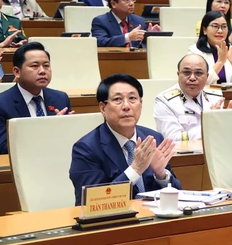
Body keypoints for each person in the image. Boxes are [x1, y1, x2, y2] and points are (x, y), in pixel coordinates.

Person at [70, 74, 181, 204]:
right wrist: (135, 170)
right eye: (118, 99)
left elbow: (178, 194)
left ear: (141, 104)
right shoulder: (86, 148)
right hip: (113, 223)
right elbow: (92, 202)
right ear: (102, 108)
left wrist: (161, 174)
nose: (126, 106)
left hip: (153, 218)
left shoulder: (153, 138)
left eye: (132, 98)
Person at [0, 42, 71, 154]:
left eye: (46, 66)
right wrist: (50, 130)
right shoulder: (0, 104)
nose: (42, 71)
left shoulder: (61, 98)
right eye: (34, 66)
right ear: (17, 72)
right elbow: (3, 148)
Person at [153, 54, 231, 142]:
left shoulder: (215, 95)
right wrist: (209, 124)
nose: (192, 78)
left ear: (207, 76)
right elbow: (172, 138)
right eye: (186, 73)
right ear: (178, 74)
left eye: (198, 73)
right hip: (185, 153)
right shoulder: (164, 101)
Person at [188, 11, 232, 84]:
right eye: (215, 26)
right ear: (205, 30)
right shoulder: (195, 52)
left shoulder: (231, 50)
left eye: (224, 26)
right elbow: (196, 83)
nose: (220, 31)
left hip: (230, 95)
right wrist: (220, 62)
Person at [91, 0, 160, 48]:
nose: (131, 3)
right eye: (126, 0)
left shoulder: (139, 21)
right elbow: (100, 42)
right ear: (113, 4)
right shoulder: (100, 22)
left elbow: (141, 47)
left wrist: (148, 37)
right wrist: (127, 37)